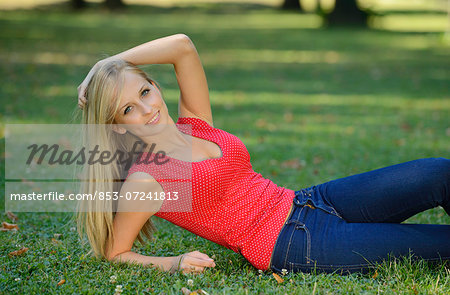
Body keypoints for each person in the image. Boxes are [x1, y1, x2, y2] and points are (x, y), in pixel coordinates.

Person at [76, 34, 450, 275]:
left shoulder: (196, 124)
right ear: (117, 127)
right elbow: (115, 252)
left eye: (143, 92)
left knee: (439, 172)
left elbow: (183, 47)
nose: (145, 109)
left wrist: (105, 67)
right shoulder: (146, 178)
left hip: (309, 201)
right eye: (126, 110)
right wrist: (173, 263)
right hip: (292, 245)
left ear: (155, 86)